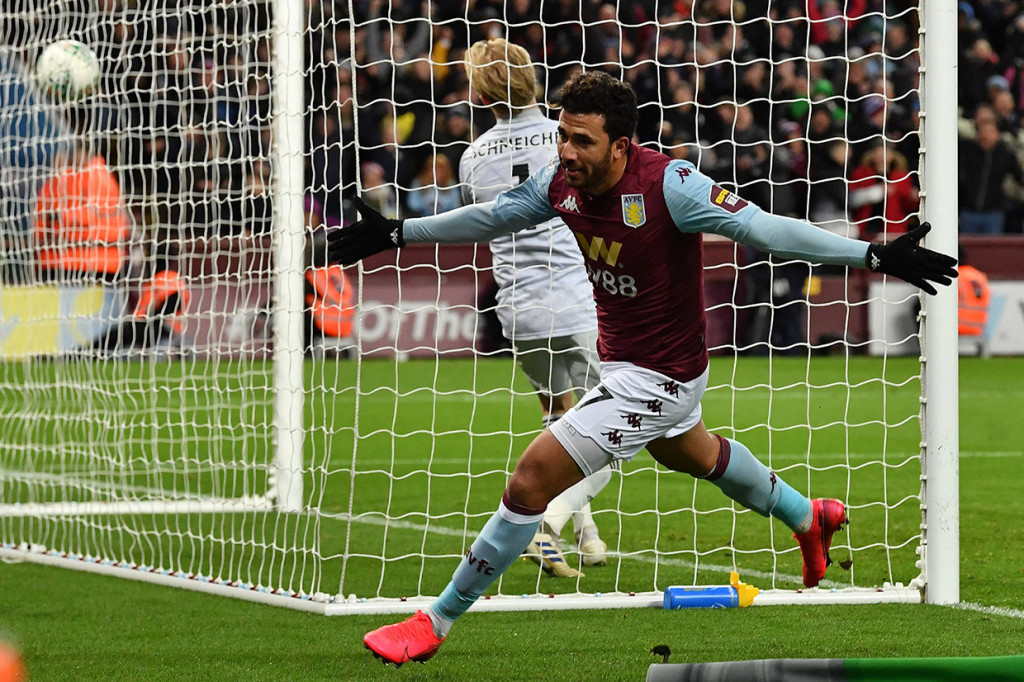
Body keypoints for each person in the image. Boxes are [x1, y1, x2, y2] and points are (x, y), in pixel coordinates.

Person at [329, 71, 957, 667]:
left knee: (529, 481)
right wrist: (396, 232)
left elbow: (764, 231)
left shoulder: (672, 186)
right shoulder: (560, 183)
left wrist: (872, 251)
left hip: (665, 375)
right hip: (621, 362)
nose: (566, 151)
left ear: (620, 145)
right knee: (692, 454)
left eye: (582, 140)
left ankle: (434, 622)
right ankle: (806, 514)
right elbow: (493, 216)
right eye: (562, 134)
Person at [460, 37, 614, 578]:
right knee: (615, 432)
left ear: (480, 92)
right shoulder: (564, 139)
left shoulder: (473, 155)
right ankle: (548, 519)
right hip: (577, 297)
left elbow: (476, 218)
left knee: (560, 420)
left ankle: (589, 537)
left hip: (518, 308)